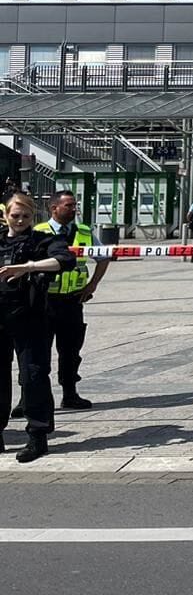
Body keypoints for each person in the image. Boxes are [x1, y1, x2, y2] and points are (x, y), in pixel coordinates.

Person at [1, 193, 73, 462]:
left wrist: (28, 267)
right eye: (15, 215)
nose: (19, 220)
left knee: (33, 376)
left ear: (34, 217)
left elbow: (65, 260)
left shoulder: (42, 240)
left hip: (30, 317)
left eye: (25, 216)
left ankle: (38, 436)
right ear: (6, 215)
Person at [30, 191, 109, 411]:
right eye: (69, 205)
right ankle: (28, 398)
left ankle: (70, 394)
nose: (74, 209)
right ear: (53, 208)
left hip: (72, 301)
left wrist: (92, 285)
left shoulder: (83, 232)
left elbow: (103, 257)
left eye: (75, 205)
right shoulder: (38, 232)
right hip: (43, 302)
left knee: (71, 351)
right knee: (38, 353)